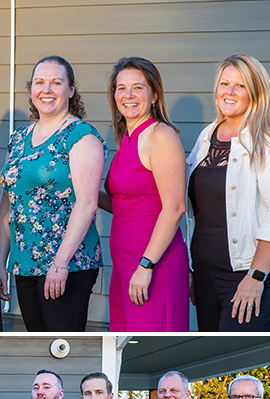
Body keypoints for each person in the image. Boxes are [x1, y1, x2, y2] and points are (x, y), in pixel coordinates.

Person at [187, 54, 270, 332]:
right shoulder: (208, 135)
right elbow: (195, 208)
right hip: (208, 273)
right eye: (224, 83)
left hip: (262, 271)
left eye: (240, 86)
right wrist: (193, 270)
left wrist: (256, 276)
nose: (229, 92)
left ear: (256, 92)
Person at [0, 56, 105, 332]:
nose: (46, 90)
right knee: (36, 341)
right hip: (24, 264)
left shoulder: (81, 137)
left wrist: (59, 263)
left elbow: (88, 204)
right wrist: (1, 263)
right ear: (30, 89)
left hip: (67, 265)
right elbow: (7, 206)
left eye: (56, 82)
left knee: (60, 340)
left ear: (70, 90)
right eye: (39, 82)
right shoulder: (18, 138)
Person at [101, 57, 189, 332]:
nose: (128, 96)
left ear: (154, 95)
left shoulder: (160, 136)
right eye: (121, 88)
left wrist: (146, 265)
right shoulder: (126, 139)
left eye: (137, 88)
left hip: (153, 263)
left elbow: (175, 207)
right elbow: (124, 205)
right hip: (124, 264)